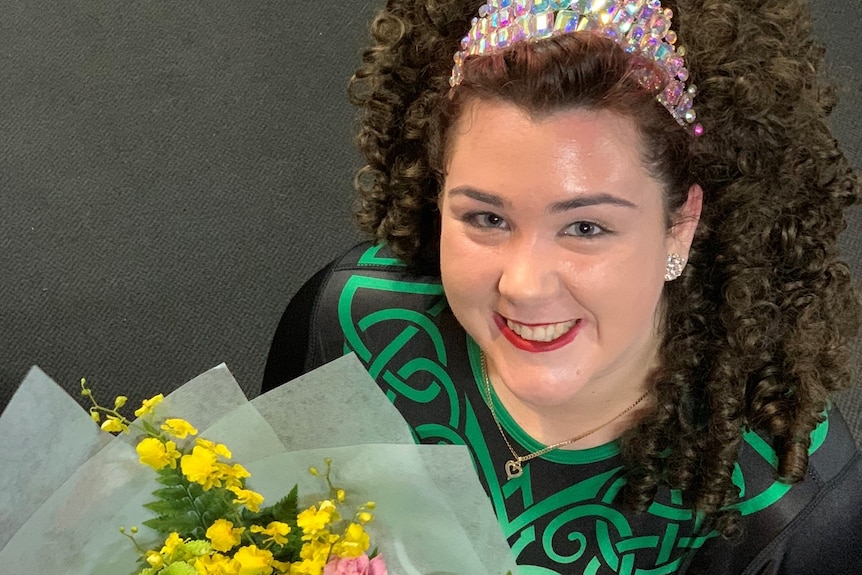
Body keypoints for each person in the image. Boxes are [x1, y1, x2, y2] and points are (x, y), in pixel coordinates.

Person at [264, 0, 862, 572]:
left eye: (585, 227)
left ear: (679, 226)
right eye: (487, 218)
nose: (523, 285)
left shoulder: (791, 501)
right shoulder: (348, 327)